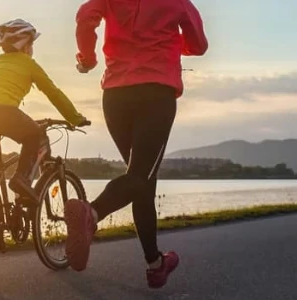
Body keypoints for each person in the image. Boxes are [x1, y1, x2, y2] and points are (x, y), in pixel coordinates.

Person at [63, 0, 209, 289]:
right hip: (155, 92)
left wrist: (88, 58)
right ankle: (90, 214)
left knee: (141, 180)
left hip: (115, 96)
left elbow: (85, 18)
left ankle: (155, 264)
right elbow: (199, 45)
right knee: (140, 177)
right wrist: (169, 42)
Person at [0, 19, 90, 207]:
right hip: (2, 112)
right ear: (24, 45)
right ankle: (22, 179)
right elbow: (53, 92)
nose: (32, 48)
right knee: (34, 134)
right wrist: (75, 118)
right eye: (31, 43)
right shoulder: (29, 64)